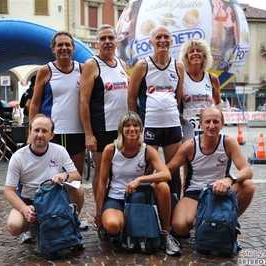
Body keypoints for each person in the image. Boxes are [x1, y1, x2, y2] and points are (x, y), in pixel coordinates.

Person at [94, 111, 182, 256]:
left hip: (140, 198)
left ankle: (165, 234)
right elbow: (102, 183)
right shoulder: (111, 149)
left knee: (162, 186)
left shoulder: (147, 150)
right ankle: (120, 227)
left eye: (135, 125)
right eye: (127, 125)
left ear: (141, 128)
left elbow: (166, 174)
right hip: (116, 197)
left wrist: (139, 180)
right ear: (121, 129)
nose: (132, 129)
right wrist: (98, 213)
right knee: (113, 225)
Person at [166, 107, 255, 242]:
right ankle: (207, 222)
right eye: (207, 122)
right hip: (195, 192)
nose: (211, 126)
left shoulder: (228, 142)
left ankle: (228, 222)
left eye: (215, 122)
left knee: (248, 186)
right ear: (200, 124)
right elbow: (168, 169)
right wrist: (146, 173)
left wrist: (228, 180)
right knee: (179, 227)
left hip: (221, 190)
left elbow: (247, 171)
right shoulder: (190, 145)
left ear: (222, 124)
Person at [5, 114, 85, 243]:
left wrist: (64, 175)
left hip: (54, 199)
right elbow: (9, 191)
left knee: (78, 189)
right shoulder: (18, 157)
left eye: (44, 131)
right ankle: (31, 227)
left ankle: (72, 222)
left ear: (51, 135)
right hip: (30, 201)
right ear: (30, 133)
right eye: (36, 130)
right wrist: (24, 209)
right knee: (14, 226)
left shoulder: (60, 150)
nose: (40, 135)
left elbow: (77, 176)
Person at [127, 25, 184, 199]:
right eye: (158, 37)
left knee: (173, 170)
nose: (162, 40)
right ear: (151, 42)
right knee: (147, 168)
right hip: (150, 125)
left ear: (171, 41)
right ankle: (144, 208)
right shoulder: (143, 65)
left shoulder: (179, 66)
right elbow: (131, 99)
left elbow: (178, 98)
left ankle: (174, 211)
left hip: (172, 125)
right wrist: (138, 125)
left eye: (166, 37)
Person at [29, 31, 86, 192]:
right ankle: (49, 212)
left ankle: (72, 214)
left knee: (74, 179)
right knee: (49, 177)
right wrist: (30, 132)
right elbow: (35, 104)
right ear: (53, 49)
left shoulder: (82, 70)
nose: (64, 48)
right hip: (52, 133)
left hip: (77, 131)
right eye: (59, 45)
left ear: (73, 48)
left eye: (67, 44)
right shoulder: (46, 70)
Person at [79, 24, 129, 199]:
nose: (107, 42)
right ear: (97, 43)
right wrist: (88, 134)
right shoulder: (92, 64)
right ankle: (100, 212)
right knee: (102, 172)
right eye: (102, 39)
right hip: (102, 129)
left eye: (110, 38)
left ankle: (116, 205)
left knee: (120, 170)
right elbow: (83, 101)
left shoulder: (122, 64)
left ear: (116, 41)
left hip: (122, 129)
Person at [179, 38, 222, 140]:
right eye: (191, 51)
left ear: (204, 55)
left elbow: (218, 102)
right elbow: (176, 102)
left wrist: (216, 115)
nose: (195, 53)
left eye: (199, 51)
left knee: (206, 153)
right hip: (187, 126)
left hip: (207, 126)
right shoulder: (181, 78)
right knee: (190, 153)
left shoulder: (212, 78)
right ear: (186, 57)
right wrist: (179, 115)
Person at [213, 0, 239, 71]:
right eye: (227, 8)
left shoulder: (234, 22)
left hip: (231, 42)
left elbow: (236, 33)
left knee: (227, 57)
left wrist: (237, 45)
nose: (228, 8)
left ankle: (225, 70)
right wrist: (220, 7)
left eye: (230, 8)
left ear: (232, 12)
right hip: (226, 41)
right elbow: (215, 17)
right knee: (222, 56)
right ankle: (219, 70)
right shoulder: (225, 18)